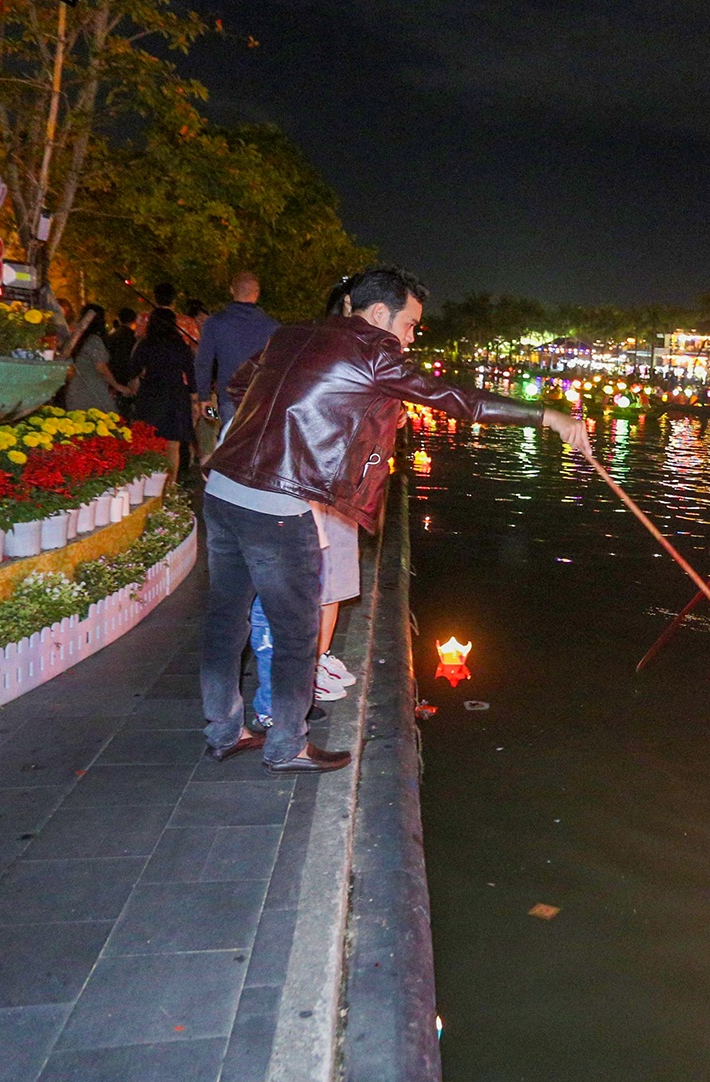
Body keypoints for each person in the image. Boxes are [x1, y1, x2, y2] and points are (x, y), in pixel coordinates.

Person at [200, 265, 589, 773]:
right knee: (298, 632)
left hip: (222, 489)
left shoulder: (292, 333)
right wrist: (547, 415)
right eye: (409, 325)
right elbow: (455, 399)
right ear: (380, 313)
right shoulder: (372, 350)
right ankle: (287, 745)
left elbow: (240, 383)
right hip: (278, 504)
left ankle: (224, 732)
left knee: (224, 621)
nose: (410, 337)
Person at [196, 272, 280, 430]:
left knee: (230, 442)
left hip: (228, 398)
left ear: (232, 290)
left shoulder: (215, 323)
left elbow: (203, 362)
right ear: (257, 293)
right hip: (261, 399)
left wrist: (204, 398)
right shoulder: (273, 327)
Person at [127, 307, 198, 482]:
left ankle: (152, 483)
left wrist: (140, 376)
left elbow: (133, 368)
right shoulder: (180, 344)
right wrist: (194, 397)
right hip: (175, 395)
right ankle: (171, 485)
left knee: (151, 441)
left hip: (151, 393)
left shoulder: (146, 344)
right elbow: (190, 371)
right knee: (173, 445)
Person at [62, 303, 122, 414]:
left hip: (74, 390)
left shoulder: (74, 340)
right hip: (92, 389)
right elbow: (101, 368)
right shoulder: (94, 340)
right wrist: (117, 386)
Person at [105, 307, 139, 392]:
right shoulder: (135, 338)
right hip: (129, 378)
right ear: (134, 320)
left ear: (119, 319)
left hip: (113, 377)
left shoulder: (111, 337)